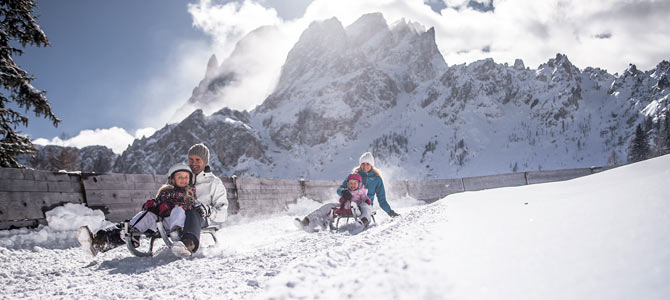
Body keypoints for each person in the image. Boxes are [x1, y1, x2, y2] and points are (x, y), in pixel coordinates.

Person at [78, 163, 203, 257]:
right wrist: (153, 204)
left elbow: (192, 207)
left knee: (178, 210)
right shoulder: (165, 191)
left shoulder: (190, 192)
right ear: (172, 179)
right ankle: (105, 240)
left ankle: (177, 233)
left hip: (180, 222)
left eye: (186, 177)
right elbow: (157, 205)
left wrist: (176, 206)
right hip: (163, 222)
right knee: (146, 215)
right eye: (180, 177)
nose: (183, 180)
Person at [180, 143, 228, 255]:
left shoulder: (214, 183)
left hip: (200, 217)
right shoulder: (181, 177)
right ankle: (136, 233)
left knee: (192, 213)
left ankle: (189, 243)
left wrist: (208, 210)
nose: (194, 163)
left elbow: (223, 213)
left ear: (205, 161)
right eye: (191, 159)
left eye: (198, 159)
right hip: (178, 214)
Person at [337, 152, 400, 218]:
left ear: (371, 165)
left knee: (364, 207)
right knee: (331, 207)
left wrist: (390, 212)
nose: (365, 166)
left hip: (366, 205)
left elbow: (382, 200)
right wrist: (343, 192)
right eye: (363, 164)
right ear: (360, 164)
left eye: (368, 164)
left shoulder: (377, 179)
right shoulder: (354, 176)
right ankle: (327, 221)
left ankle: (364, 221)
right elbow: (339, 189)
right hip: (351, 204)